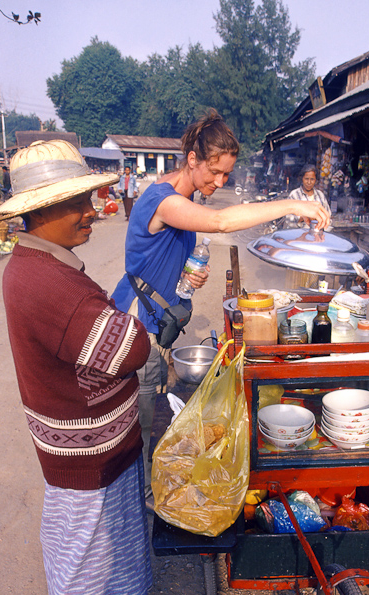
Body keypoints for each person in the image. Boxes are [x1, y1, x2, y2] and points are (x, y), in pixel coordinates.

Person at [112, 110, 330, 507]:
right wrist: (291, 206)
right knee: (137, 427)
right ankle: (137, 511)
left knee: (148, 415)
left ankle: (143, 496)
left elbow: (166, 255)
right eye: (214, 172)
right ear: (192, 159)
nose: (220, 182)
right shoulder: (162, 199)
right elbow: (221, 221)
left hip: (154, 323)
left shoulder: (185, 198)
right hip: (134, 327)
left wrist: (186, 276)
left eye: (227, 175)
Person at [0, 140, 152, 595]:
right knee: (89, 544)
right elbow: (130, 350)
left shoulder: (34, 266)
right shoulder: (47, 281)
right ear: (39, 212)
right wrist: (136, 328)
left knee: (73, 540)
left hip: (74, 440)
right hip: (84, 449)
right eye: (78, 203)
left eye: (90, 197)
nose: (94, 210)